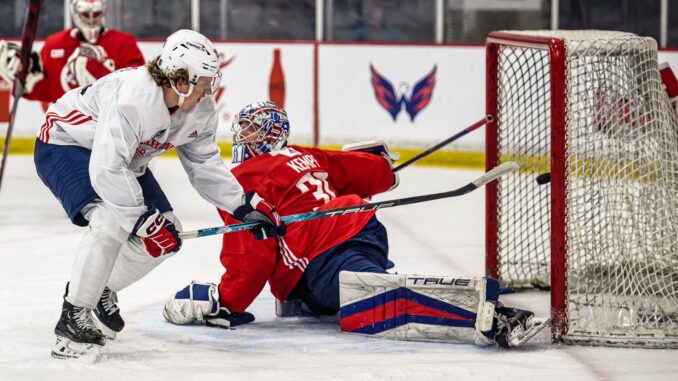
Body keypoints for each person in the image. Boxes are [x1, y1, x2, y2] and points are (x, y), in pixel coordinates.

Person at [162, 101, 545, 349]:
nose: (241, 135)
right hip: (364, 228)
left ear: (270, 134)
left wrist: (227, 303)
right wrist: (383, 170)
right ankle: (316, 296)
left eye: (250, 129)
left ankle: (486, 313)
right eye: (242, 127)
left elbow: (253, 254)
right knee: (354, 287)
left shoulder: (240, 182)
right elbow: (356, 170)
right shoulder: (302, 155)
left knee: (380, 300)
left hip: (326, 256)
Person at [34, 30, 286, 360]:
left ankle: (98, 289)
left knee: (168, 232)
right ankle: (73, 315)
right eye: (204, 81)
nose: (210, 89)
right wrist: (140, 220)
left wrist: (242, 204)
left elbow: (203, 163)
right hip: (67, 143)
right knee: (110, 219)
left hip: (120, 158)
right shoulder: (133, 98)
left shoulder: (200, 107)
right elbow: (106, 169)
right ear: (179, 80)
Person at [0, 0, 145, 104]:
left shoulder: (124, 43)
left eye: (96, 13)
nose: (91, 20)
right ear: (75, 13)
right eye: (85, 14)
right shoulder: (54, 44)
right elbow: (47, 91)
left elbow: (137, 87)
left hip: (108, 126)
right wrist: (22, 77)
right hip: (67, 129)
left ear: (104, 12)